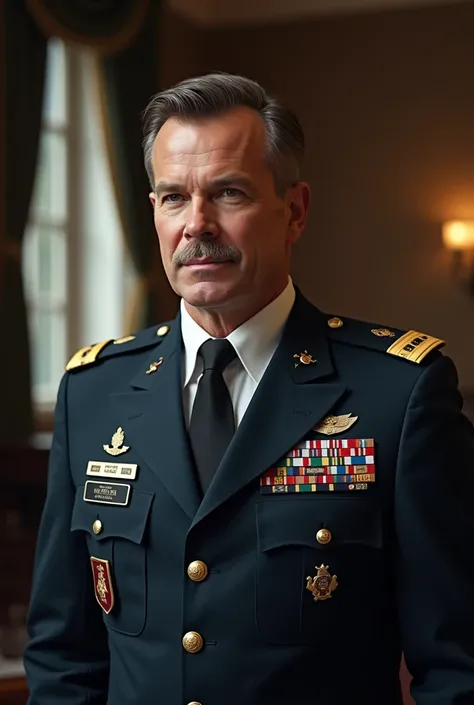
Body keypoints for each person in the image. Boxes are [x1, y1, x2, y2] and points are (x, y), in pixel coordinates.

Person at [24, 72, 474, 705]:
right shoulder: (94, 392)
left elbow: (457, 664)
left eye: (228, 193)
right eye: (174, 197)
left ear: (294, 212)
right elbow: (63, 653)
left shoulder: (399, 394)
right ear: (153, 212)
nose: (196, 224)